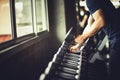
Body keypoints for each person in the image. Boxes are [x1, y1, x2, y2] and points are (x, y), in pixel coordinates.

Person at [70, 0, 120, 80]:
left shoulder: (90, 1)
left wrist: (82, 38)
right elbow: (89, 25)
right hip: (115, 38)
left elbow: (100, 21)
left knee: (114, 75)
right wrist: (79, 45)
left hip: (117, 39)